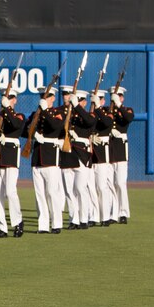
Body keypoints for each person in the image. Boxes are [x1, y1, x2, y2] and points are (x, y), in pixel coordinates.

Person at [0, 87, 27, 238]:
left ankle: (17, 222)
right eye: (5, 97)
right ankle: (1, 227)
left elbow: (16, 126)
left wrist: (7, 110)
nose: (8, 99)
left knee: (10, 192)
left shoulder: (19, 115)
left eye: (11, 97)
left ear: (15, 100)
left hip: (11, 154)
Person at [29, 87, 67, 234]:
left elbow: (56, 126)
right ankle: (43, 225)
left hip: (51, 156)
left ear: (52, 98)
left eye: (48, 96)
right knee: (40, 195)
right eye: (42, 96)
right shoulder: (36, 114)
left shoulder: (58, 113)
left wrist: (44, 111)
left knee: (52, 192)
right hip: (37, 158)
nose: (44, 99)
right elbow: (26, 129)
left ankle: (56, 223)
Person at [59, 86, 96, 230]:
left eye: (80, 100)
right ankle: (73, 219)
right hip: (68, 154)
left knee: (81, 188)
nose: (78, 102)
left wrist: (76, 106)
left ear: (84, 102)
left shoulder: (89, 115)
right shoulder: (67, 114)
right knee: (69, 190)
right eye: (76, 100)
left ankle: (84, 218)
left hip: (81, 154)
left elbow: (89, 122)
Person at [89, 89, 118, 226]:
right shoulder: (91, 114)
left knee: (102, 186)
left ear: (103, 100)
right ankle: (94, 216)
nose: (96, 101)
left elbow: (107, 123)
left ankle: (105, 216)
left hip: (102, 153)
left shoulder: (107, 113)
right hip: (90, 153)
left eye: (99, 98)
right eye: (94, 99)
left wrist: (98, 107)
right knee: (91, 187)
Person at [109, 85, 134, 224]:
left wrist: (118, 104)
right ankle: (113, 213)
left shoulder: (126, 110)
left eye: (118, 95)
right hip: (109, 149)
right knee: (111, 183)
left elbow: (128, 118)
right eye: (113, 95)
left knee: (120, 182)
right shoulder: (107, 110)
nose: (114, 97)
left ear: (122, 97)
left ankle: (123, 212)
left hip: (120, 149)